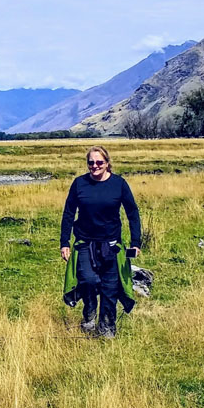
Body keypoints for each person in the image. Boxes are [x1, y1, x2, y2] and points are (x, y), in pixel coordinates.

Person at [60, 145, 141, 338]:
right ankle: (89, 312)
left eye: (99, 162)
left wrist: (136, 242)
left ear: (107, 163)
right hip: (85, 243)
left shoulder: (119, 184)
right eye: (91, 162)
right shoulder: (79, 184)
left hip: (111, 244)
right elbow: (69, 213)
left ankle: (107, 327)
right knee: (88, 280)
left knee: (110, 287)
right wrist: (65, 242)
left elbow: (132, 213)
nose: (95, 166)